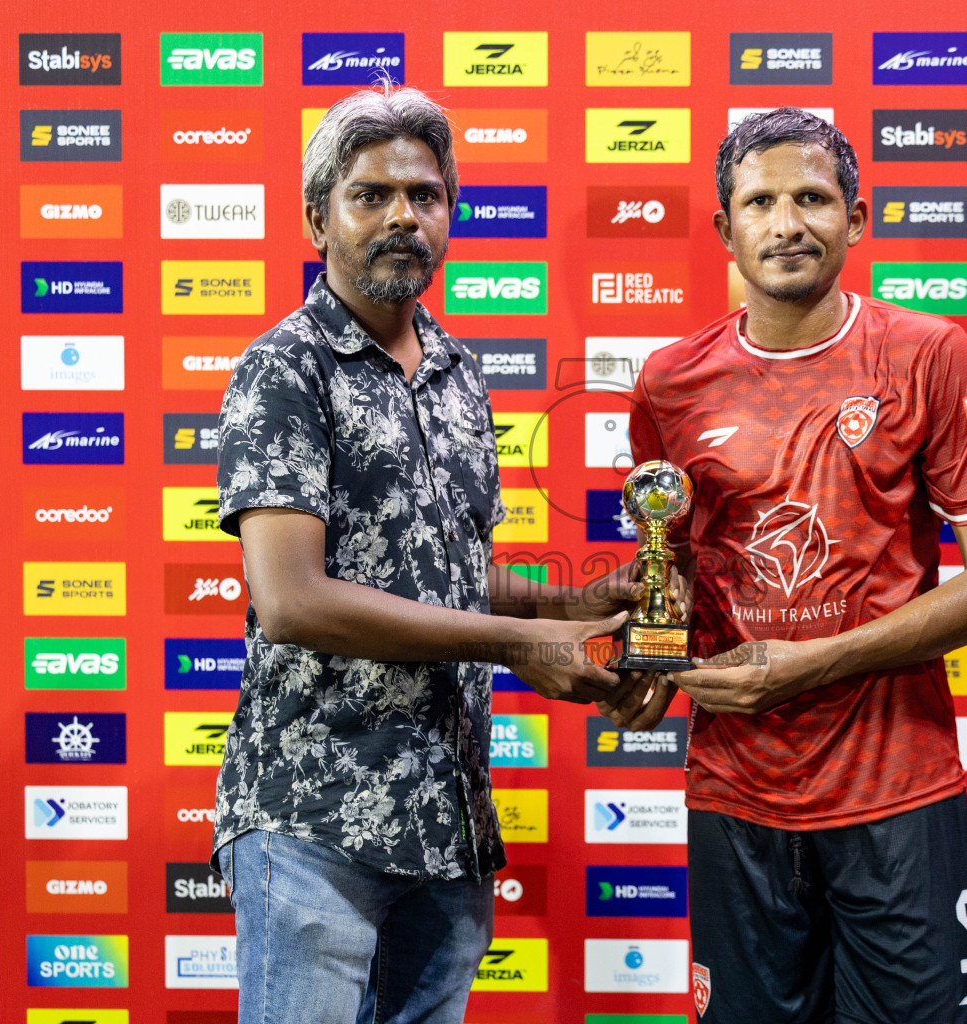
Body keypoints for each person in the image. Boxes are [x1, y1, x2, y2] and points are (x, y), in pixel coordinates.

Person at [211, 84, 638, 1024]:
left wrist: (575, 602)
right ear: (316, 217)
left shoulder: (457, 370)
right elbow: (293, 598)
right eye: (372, 195)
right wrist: (516, 646)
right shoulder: (283, 367)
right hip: (315, 815)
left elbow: (445, 575)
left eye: (427, 194)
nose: (404, 215)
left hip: (447, 821)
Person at [601, 108, 967, 1024]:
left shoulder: (927, 354)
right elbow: (667, 567)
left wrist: (812, 663)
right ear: (725, 228)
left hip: (896, 791)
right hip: (736, 794)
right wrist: (647, 651)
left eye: (813, 198)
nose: (787, 222)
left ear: (857, 218)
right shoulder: (669, 382)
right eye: (760, 202)